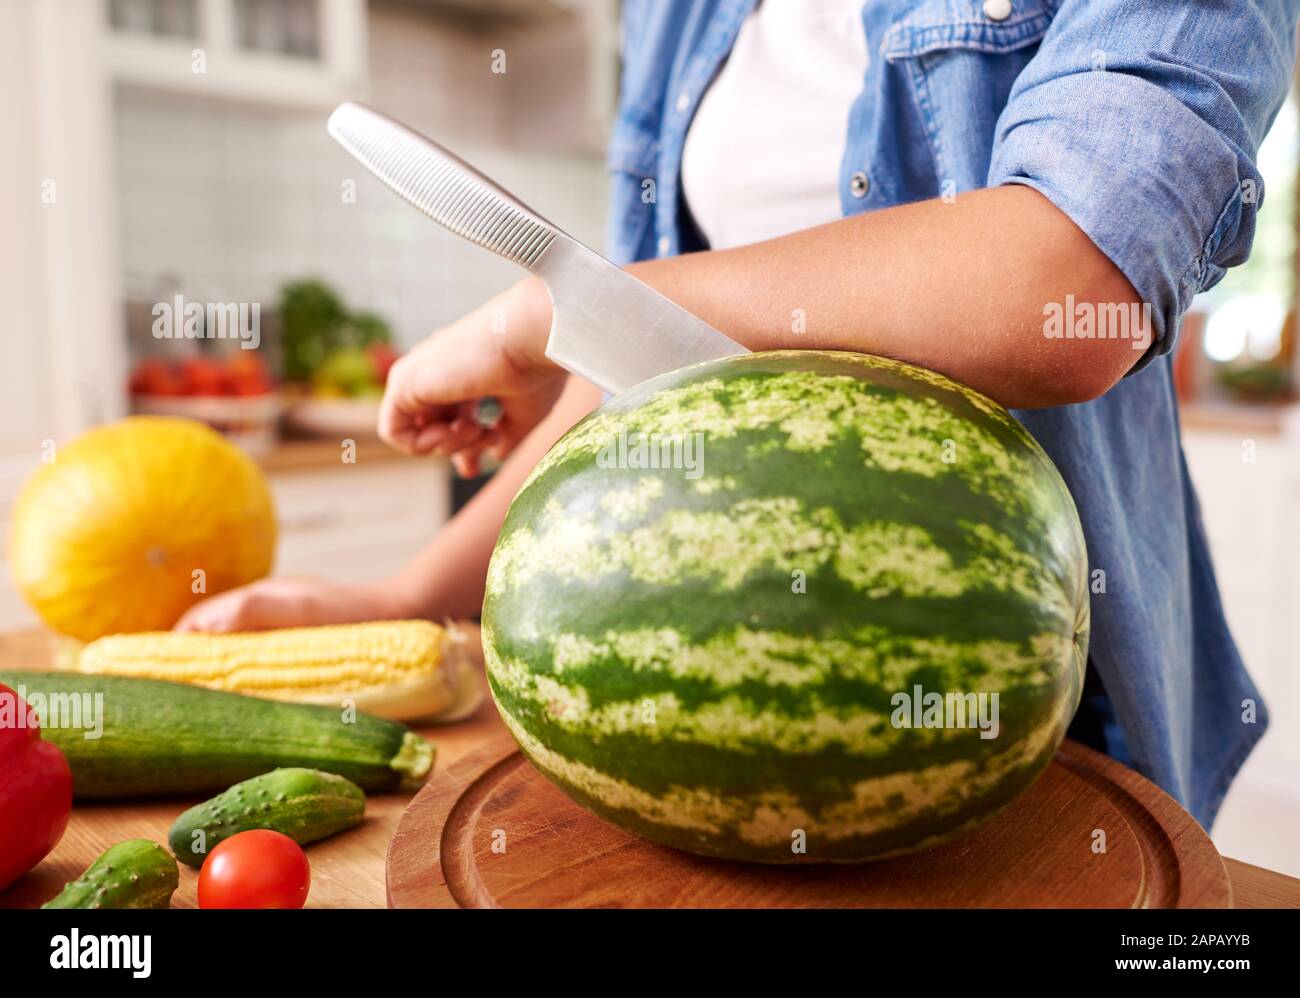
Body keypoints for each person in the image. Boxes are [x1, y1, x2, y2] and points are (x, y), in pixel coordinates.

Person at [178, 0, 1298, 829]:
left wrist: (547, 309)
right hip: (748, 705)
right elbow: (646, 372)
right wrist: (399, 597)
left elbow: (1069, 290)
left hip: (1045, 708)